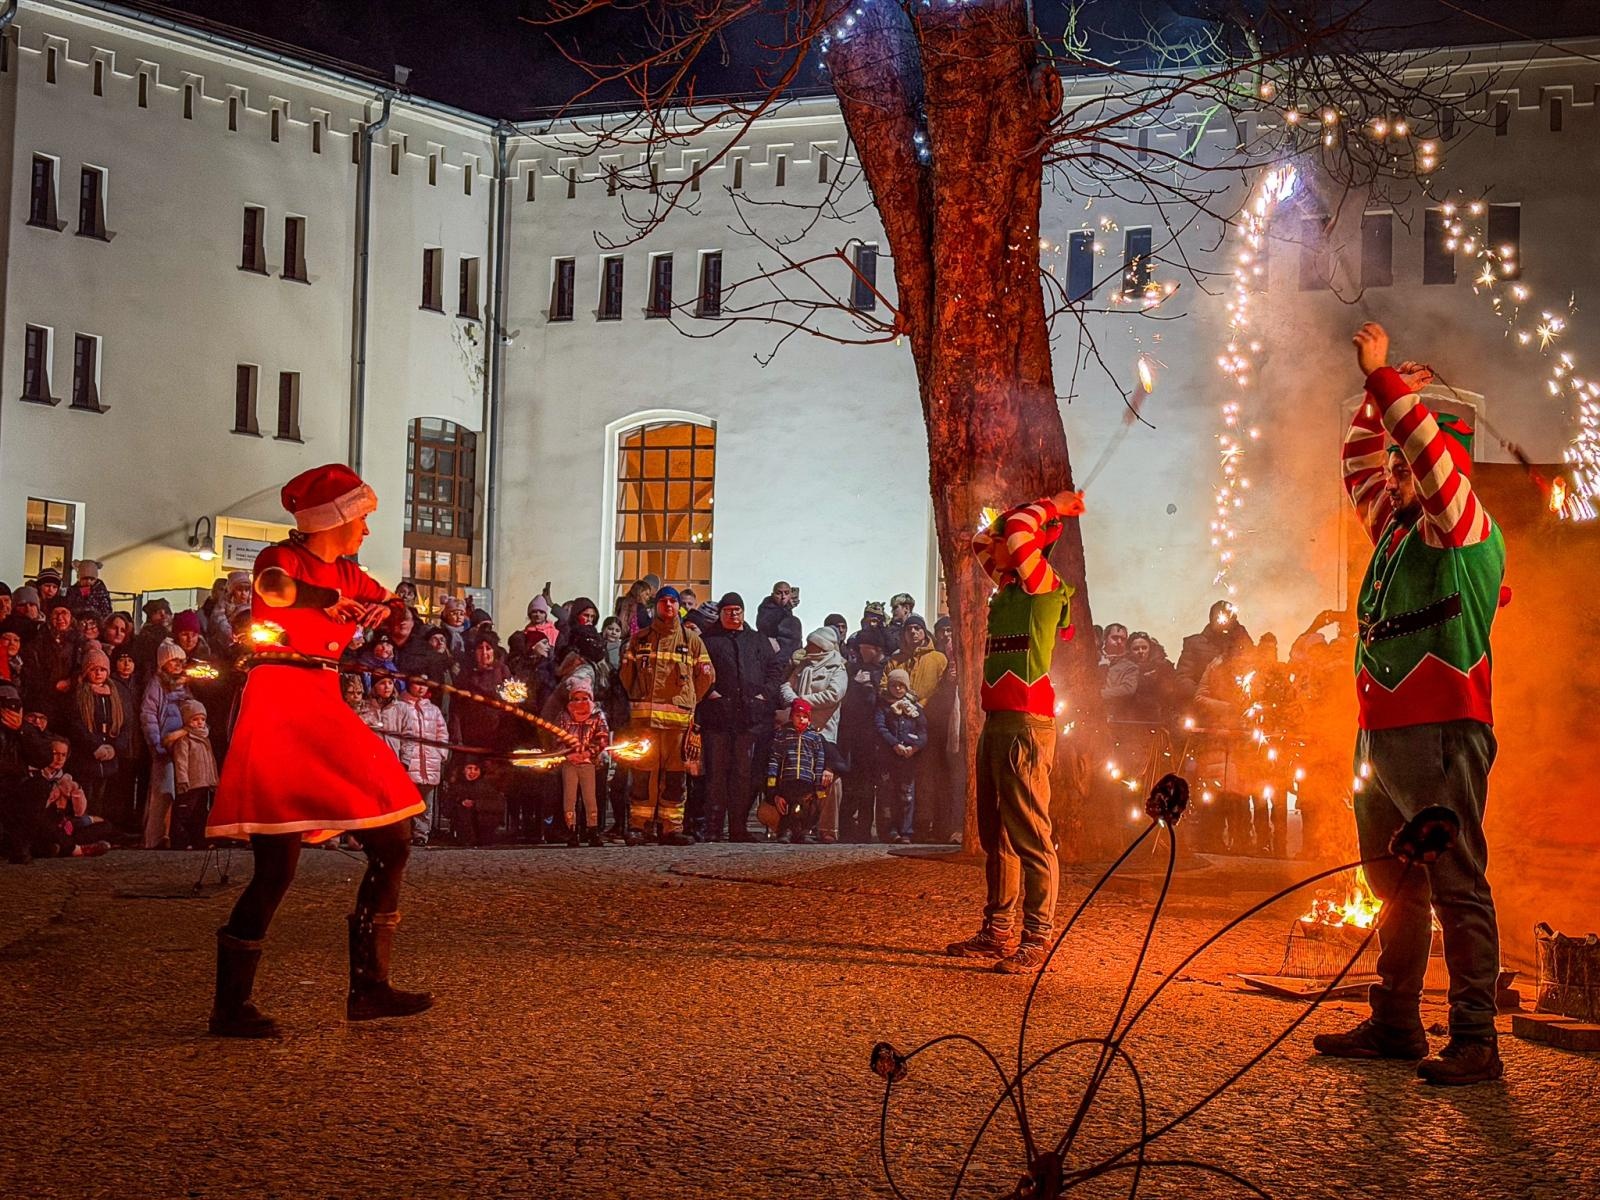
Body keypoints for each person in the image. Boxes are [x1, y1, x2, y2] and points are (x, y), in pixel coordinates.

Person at [1312, 325, 1508, 1086]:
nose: (1389, 479)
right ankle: (1396, 1024)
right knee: (1393, 885)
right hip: (1383, 733)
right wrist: (1376, 402)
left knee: (1457, 881)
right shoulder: (1397, 531)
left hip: (1443, 730)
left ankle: (1475, 1038)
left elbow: (1427, 462)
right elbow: (1357, 464)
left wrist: (1389, 381)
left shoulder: (1463, 522)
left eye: (1404, 467)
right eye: (1392, 468)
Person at [203, 462, 430, 1039]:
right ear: (336, 518)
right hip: (280, 704)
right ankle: (230, 1008)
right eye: (362, 519)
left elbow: (403, 613)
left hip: (325, 703)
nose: (366, 531)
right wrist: (324, 599)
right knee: (275, 868)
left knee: (395, 833)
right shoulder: (280, 559)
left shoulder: (352, 572)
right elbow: (271, 589)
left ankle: (370, 987)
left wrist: (391, 614)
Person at [946, 490, 1083, 974]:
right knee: (996, 835)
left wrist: (1053, 506)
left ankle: (1037, 936)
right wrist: (1005, 526)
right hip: (998, 722)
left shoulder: (1043, 586)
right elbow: (985, 539)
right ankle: (998, 930)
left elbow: (1019, 532)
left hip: (1027, 725)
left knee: (1030, 834)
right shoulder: (1007, 587)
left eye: (1011, 538)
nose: (999, 542)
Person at [618, 585, 714, 845]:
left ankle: (671, 828)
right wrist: (639, 697)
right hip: (645, 723)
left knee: (674, 777)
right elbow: (627, 676)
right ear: (656, 606)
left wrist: (689, 701)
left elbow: (706, 676)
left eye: (672, 602)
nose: (668, 606)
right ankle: (639, 827)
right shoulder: (640, 640)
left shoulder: (692, 641)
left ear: (678, 606)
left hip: (678, 724)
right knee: (642, 775)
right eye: (664, 602)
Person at [697, 593, 779, 842]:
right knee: (717, 774)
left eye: (738, 610)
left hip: (749, 720)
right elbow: (697, 669)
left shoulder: (757, 640)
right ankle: (712, 828)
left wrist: (765, 694)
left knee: (743, 776)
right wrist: (711, 693)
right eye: (729, 610)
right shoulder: (708, 641)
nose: (734, 614)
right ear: (720, 613)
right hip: (718, 719)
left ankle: (738, 827)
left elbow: (774, 670)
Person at [65, 647, 131, 825]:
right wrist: (94, 746)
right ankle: (84, 828)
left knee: (104, 798)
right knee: (86, 796)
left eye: (102, 670)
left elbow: (123, 724)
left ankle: (102, 828)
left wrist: (114, 747)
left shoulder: (115, 694)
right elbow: (76, 724)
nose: (98, 673)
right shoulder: (81, 694)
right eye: (94, 669)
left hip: (109, 759)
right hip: (87, 758)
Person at [836, 626, 888, 842]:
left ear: (875, 649)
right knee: (851, 784)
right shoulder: (852, 668)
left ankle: (864, 830)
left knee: (867, 786)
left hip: (873, 737)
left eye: (864, 647)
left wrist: (870, 688)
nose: (860, 651)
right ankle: (846, 829)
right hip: (852, 735)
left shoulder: (882, 671)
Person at [140, 638, 192, 849]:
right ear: (163, 663)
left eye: (181, 660)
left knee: (176, 792)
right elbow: (149, 714)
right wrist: (156, 742)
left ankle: (171, 834)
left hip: (181, 744)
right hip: (163, 745)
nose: (178, 664)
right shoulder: (156, 685)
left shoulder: (184, 686)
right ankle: (155, 837)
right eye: (173, 661)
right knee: (162, 791)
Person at [762, 698, 828, 844]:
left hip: (806, 779)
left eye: (805, 717)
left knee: (806, 807)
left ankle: (804, 832)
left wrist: (818, 784)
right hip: (788, 779)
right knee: (788, 807)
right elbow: (775, 758)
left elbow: (819, 761)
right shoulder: (783, 735)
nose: (801, 720)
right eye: (798, 716)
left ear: (809, 719)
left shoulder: (814, 737)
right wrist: (772, 783)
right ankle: (786, 831)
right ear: (792, 717)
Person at [875, 669, 928, 844]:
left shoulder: (915, 709)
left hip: (908, 760)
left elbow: (923, 732)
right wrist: (894, 744)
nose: (897, 689)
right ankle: (889, 830)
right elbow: (880, 727)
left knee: (906, 795)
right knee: (887, 794)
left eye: (901, 685)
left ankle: (906, 830)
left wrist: (914, 747)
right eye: (894, 685)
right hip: (888, 758)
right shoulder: (883, 707)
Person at [556, 681, 610, 846]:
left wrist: (589, 753)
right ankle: (571, 831)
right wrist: (568, 754)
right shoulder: (564, 716)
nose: (580, 702)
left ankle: (592, 830)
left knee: (590, 797)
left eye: (584, 698)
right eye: (576, 698)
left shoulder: (597, 715)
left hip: (589, 763)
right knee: (570, 798)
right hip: (570, 763)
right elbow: (558, 738)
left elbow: (602, 737)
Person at [403, 677, 449, 843]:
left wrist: (440, 754)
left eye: (424, 684)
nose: (421, 688)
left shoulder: (433, 709)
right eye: (417, 684)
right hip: (409, 762)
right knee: (407, 801)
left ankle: (421, 834)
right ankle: (405, 833)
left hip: (429, 761)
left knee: (426, 804)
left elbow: (442, 733)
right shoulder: (401, 706)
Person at [170, 699, 219, 849]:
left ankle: (199, 841)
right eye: (195, 719)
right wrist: (182, 780)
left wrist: (214, 779)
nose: (199, 723)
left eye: (202, 719)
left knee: (200, 814)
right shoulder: (184, 740)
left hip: (204, 783)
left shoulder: (205, 738)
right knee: (185, 812)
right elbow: (181, 761)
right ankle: (181, 841)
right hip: (191, 783)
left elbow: (210, 760)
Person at [756, 582, 803, 659]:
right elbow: (766, 626)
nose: (783, 596)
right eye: (779, 593)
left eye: (786, 593)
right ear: (773, 595)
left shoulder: (788, 613)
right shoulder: (766, 608)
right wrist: (787, 608)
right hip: (774, 654)